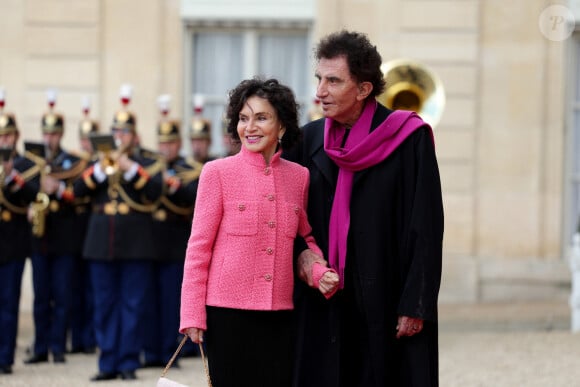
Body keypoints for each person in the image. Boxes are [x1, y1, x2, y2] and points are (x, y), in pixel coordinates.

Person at [289, 30, 444, 387]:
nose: (319, 92)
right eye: (319, 79)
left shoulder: (411, 140)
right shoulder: (306, 140)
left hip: (385, 299)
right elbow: (287, 217)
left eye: (333, 81)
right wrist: (302, 257)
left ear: (363, 89)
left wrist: (415, 304)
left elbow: (427, 228)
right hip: (324, 300)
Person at [180, 78, 339, 387]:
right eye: (243, 118)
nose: (249, 127)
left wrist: (317, 270)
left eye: (261, 118)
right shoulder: (217, 173)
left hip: (279, 314)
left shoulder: (300, 177)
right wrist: (191, 314)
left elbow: (304, 239)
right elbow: (198, 248)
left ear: (281, 126)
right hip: (226, 316)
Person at [71, 92, 163, 381]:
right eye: (115, 131)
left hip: (135, 242)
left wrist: (131, 169)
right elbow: (77, 192)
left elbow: (155, 191)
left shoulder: (147, 161)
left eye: (124, 132)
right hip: (101, 243)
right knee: (104, 304)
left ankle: (127, 362)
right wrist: (100, 169)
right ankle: (107, 362)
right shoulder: (97, 162)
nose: (119, 136)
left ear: (134, 137)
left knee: (132, 305)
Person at [25, 96, 88, 365]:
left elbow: (80, 194)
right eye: (46, 133)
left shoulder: (71, 162)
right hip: (40, 240)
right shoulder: (32, 161)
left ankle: (58, 347)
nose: (50, 138)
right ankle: (40, 347)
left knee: (62, 296)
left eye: (54, 133)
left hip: (63, 239)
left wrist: (59, 190)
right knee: (41, 296)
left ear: (61, 133)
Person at [141, 110, 202, 368]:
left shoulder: (190, 170)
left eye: (171, 143)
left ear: (179, 144)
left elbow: (193, 199)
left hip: (176, 240)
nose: (166, 148)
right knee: (147, 299)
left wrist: (174, 184)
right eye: (162, 143)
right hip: (149, 241)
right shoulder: (148, 168)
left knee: (170, 301)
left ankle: (168, 351)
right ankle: (150, 351)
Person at [0, 108, 41, 375]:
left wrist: (11, 175)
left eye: (8, 136)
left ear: (16, 137)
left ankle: (4, 358)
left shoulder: (26, 165)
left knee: (8, 303)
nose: (4, 141)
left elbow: (33, 193)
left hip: (12, 243)